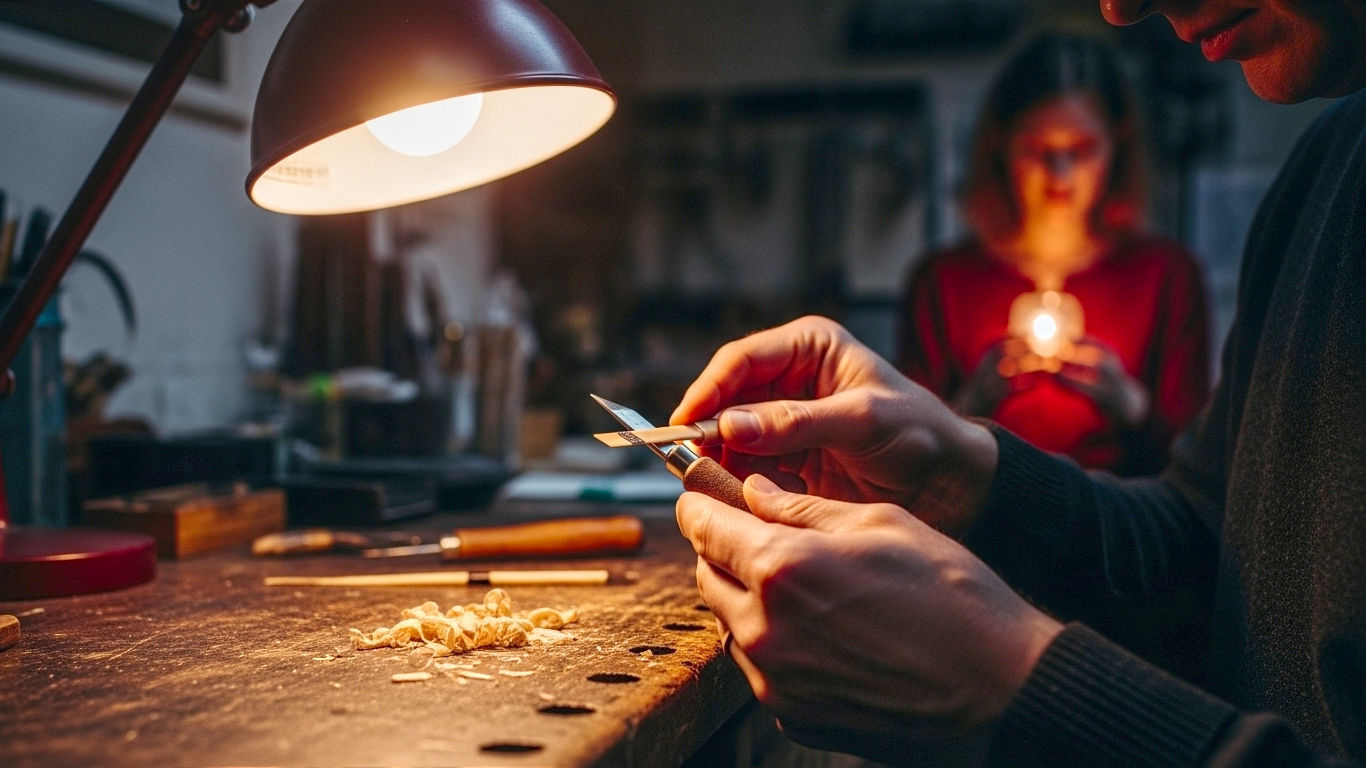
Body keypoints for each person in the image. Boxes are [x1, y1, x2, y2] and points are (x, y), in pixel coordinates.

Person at [668, 0, 1366, 763]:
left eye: (1082, 149)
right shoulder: (1324, 170)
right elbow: (1211, 554)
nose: (1120, 6)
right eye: (1040, 151)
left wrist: (1015, 688)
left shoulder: (1174, 268)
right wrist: (968, 474)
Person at [897, 32, 1210, 477]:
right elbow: (907, 457)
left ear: (1118, 142)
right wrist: (971, 405)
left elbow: (1202, 467)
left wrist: (1128, 403)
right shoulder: (943, 282)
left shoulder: (1167, 276)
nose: (1059, 174)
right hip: (981, 533)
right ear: (999, 145)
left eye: (1081, 150)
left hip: (1123, 528)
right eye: (1037, 150)